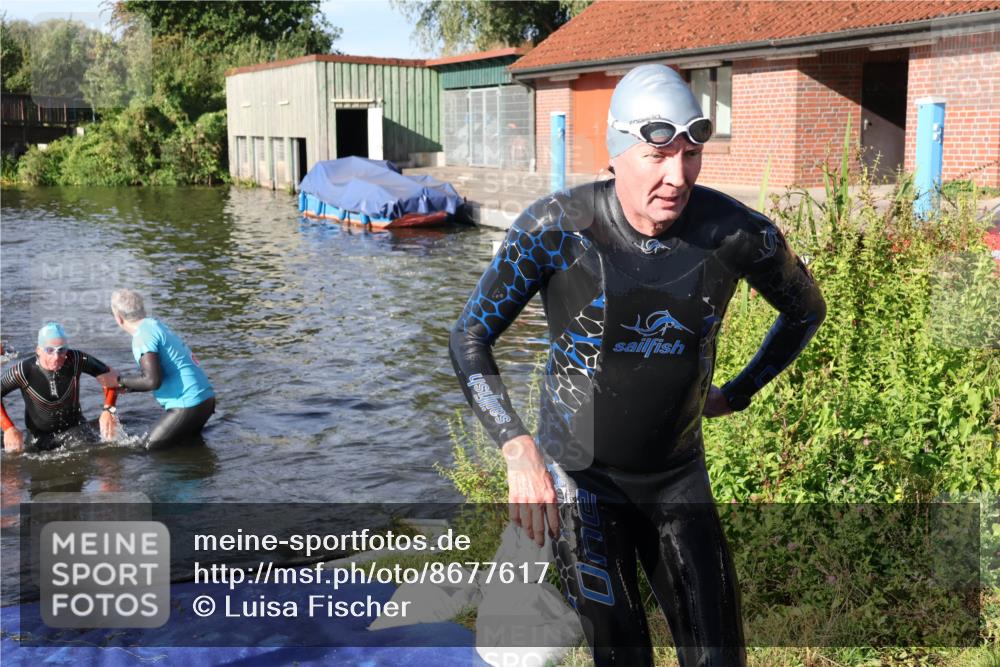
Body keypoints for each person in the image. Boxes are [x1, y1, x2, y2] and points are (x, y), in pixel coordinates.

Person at [449, 64, 826, 666]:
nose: (677, 177)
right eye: (657, 156)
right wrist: (517, 448)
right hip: (580, 482)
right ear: (616, 154)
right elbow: (470, 336)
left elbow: (806, 311)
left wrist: (739, 391)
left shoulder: (735, 234)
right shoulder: (555, 229)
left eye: (690, 156)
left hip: (677, 475)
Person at [98, 289, 215, 449]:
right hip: (205, 400)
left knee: (147, 449)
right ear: (142, 309)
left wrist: (118, 380)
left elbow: (152, 381)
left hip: (188, 404)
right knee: (190, 449)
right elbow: (158, 375)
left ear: (118, 318)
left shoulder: (142, 336)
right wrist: (128, 387)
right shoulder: (155, 325)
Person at [2, 322, 119, 452]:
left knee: (102, 455)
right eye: (50, 350)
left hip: (75, 429)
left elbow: (110, 376)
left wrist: (109, 409)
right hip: (38, 436)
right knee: (17, 458)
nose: (56, 357)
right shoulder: (22, 371)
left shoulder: (76, 359)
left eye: (61, 350)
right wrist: (8, 428)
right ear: (39, 350)